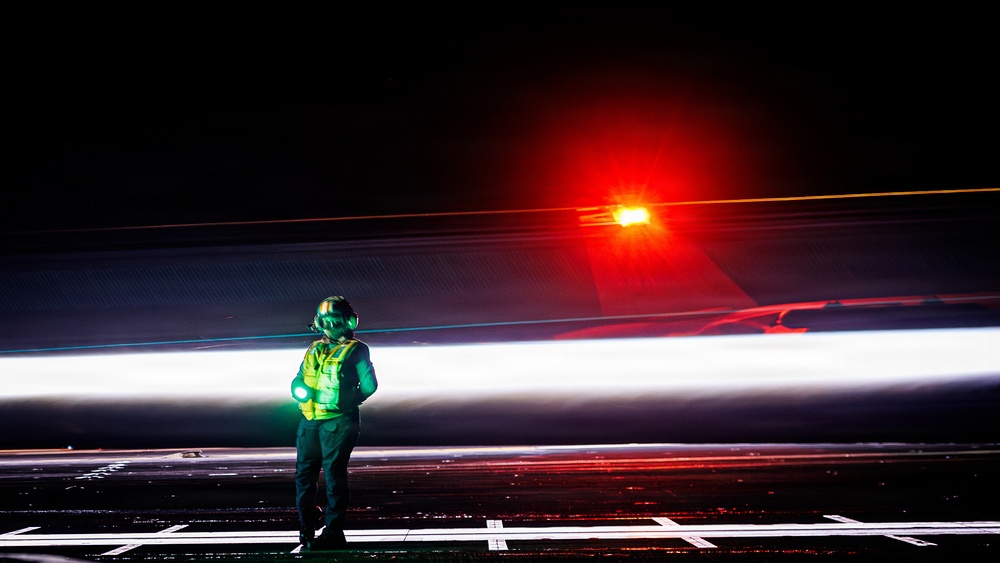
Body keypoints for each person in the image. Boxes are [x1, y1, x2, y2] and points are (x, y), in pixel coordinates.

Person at [290, 296, 378, 551]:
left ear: (347, 322)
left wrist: (349, 403)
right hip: (310, 420)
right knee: (312, 476)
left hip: (337, 423)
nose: (330, 326)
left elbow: (370, 386)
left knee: (327, 476)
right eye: (326, 321)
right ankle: (311, 523)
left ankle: (333, 531)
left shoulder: (357, 348)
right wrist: (298, 389)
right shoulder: (313, 349)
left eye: (334, 321)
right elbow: (298, 380)